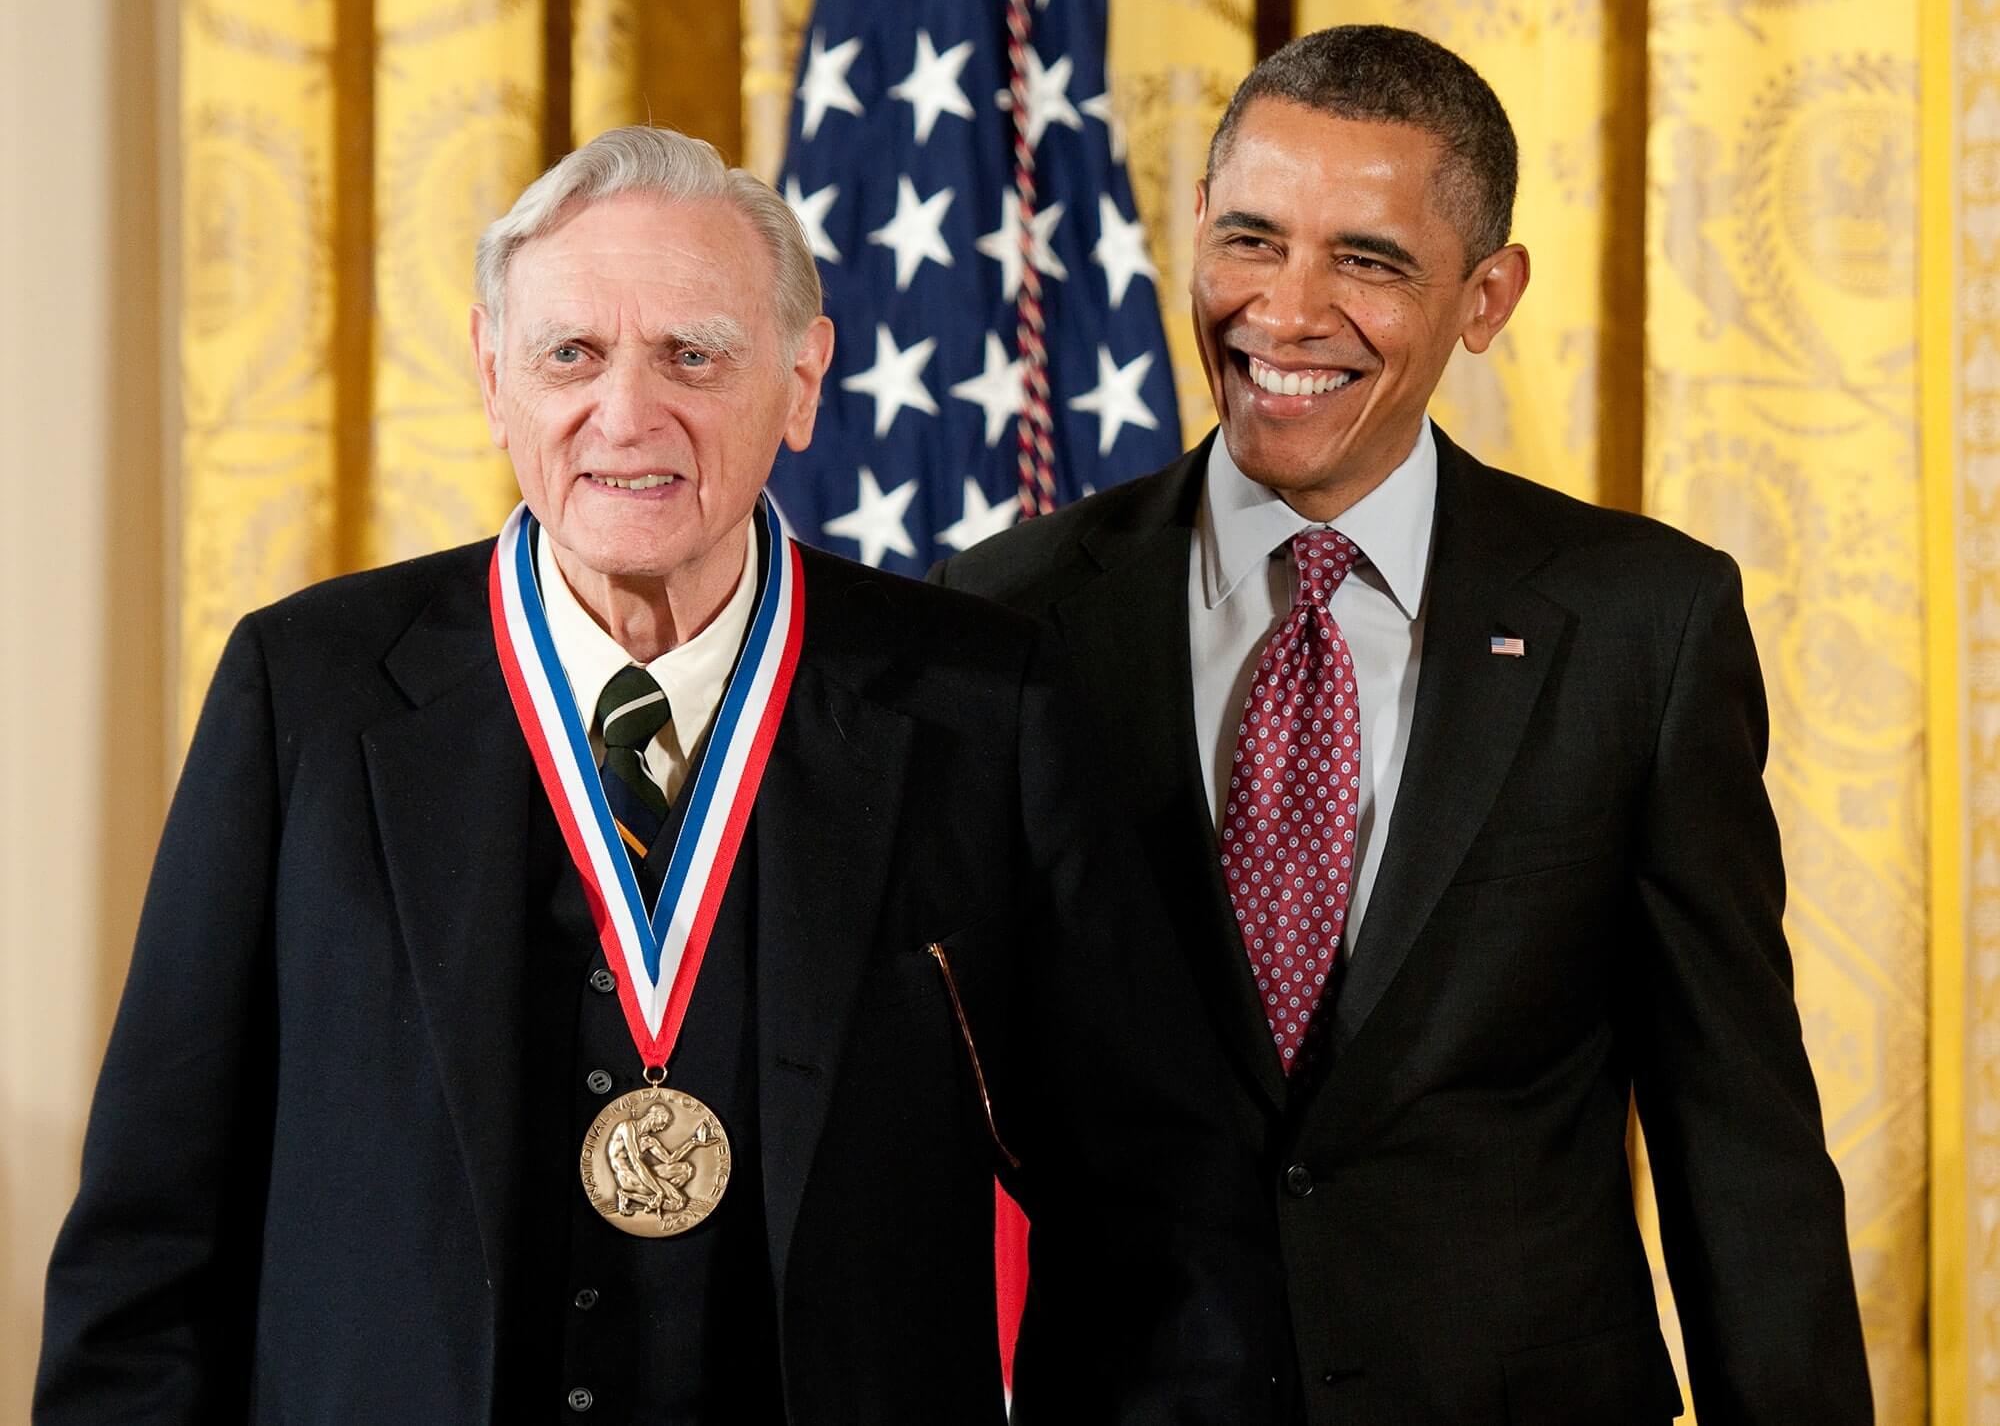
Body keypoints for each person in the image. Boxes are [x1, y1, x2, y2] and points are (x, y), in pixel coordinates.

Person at [36, 126, 1282, 1424]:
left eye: (695, 355)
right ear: (491, 374)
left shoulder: (983, 712)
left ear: (802, 383)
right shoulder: (307, 693)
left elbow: (1164, 1235)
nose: (626, 413)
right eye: (571, 353)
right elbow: (151, 1245)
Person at [936, 25, 1872, 1424]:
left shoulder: (1642, 624)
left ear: (1486, 296)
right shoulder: (1008, 615)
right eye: (1251, 239)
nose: (1286, 311)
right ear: (1195, 228)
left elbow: (1737, 1135)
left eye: (1366, 260)